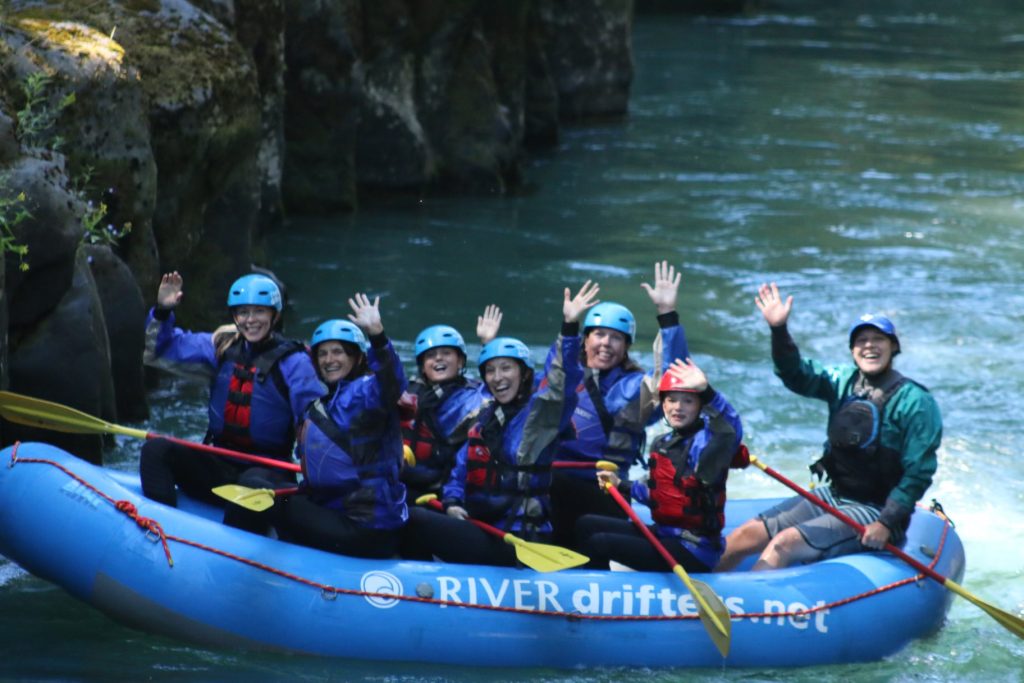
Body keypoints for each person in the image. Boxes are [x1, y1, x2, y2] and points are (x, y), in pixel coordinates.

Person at [716, 283, 942, 571]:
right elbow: (795, 374)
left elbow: (919, 471)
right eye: (861, 340)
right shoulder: (842, 381)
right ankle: (693, 607)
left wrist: (887, 522)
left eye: (878, 339)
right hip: (833, 495)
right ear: (852, 350)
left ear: (893, 347)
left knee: (783, 544)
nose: (869, 345)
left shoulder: (916, 401)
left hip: (875, 510)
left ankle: (746, 613)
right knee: (743, 537)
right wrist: (779, 329)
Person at [404, 283, 594, 566]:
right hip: (485, 526)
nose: (497, 377)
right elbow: (460, 469)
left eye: (506, 368)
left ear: (524, 374)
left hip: (521, 540)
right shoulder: (484, 418)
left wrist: (569, 327)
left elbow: (562, 381)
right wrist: (453, 502)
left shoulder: (539, 416)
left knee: (413, 518)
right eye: (490, 370)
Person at [140, 272, 322, 507]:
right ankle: (159, 527)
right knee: (156, 450)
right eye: (243, 312)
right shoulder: (222, 346)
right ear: (234, 316)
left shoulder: (296, 363)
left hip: (268, 473)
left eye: (259, 311)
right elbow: (160, 350)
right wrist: (163, 311)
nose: (250, 320)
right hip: (220, 462)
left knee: (249, 484)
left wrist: (315, 476)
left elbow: (313, 425)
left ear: (274, 315)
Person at [548, 261, 690, 544]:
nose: (606, 343)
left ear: (626, 347)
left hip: (605, 492)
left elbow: (673, 376)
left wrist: (667, 314)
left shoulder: (632, 388)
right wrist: (569, 325)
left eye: (616, 338)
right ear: (585, 340)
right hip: (554, 487)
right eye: (599, 334)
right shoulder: (563, 376)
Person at [266, 293, 408, 558]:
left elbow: (391, 382)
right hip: (338, 510)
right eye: (322, 354)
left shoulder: (365, 393)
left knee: (272, 501)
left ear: (355, 358)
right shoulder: (323, 403)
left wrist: (377, 336)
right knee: (260, 479)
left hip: (367, 526)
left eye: (337, 352)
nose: (329, 359)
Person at [576, 358, 744, 572]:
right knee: (587, 524)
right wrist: (620, 484)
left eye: (688, 401)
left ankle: (596, 595)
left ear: (701, 406)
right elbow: (661, 495)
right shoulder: (663, 443)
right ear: (663, 404)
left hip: (693, 549)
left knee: (599, 542)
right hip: (665, 534)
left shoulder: (708, 444)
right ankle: (593, 584)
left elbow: (730, 429)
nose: (678, 407)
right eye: (672, 400)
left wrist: (709, 393)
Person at [398, 305, 502, 502]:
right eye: (430, 355)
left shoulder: (474, 395)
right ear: (422, 366)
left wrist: (489, 344)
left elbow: (500, 392)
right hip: (405, 480)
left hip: (443, 486)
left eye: (446, 353)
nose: (438, 358)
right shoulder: (407, 392)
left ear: (461, 362)